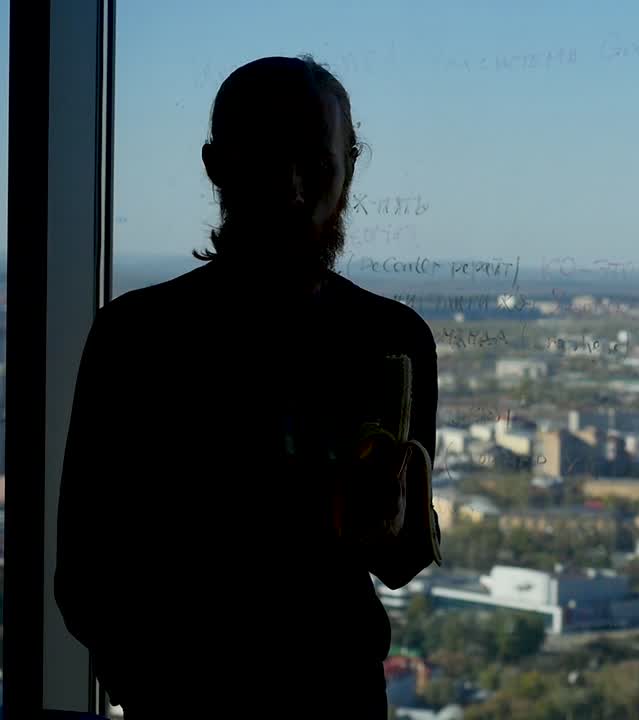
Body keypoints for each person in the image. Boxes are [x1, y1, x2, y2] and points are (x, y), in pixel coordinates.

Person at [54, 55, 440, 718]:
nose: (292, 191)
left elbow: (86, 579)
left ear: (349, 168)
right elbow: (85, 575)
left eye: (314, 166)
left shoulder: (140, 333)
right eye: (267, 162)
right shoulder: (386, 338)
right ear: (217, 166)